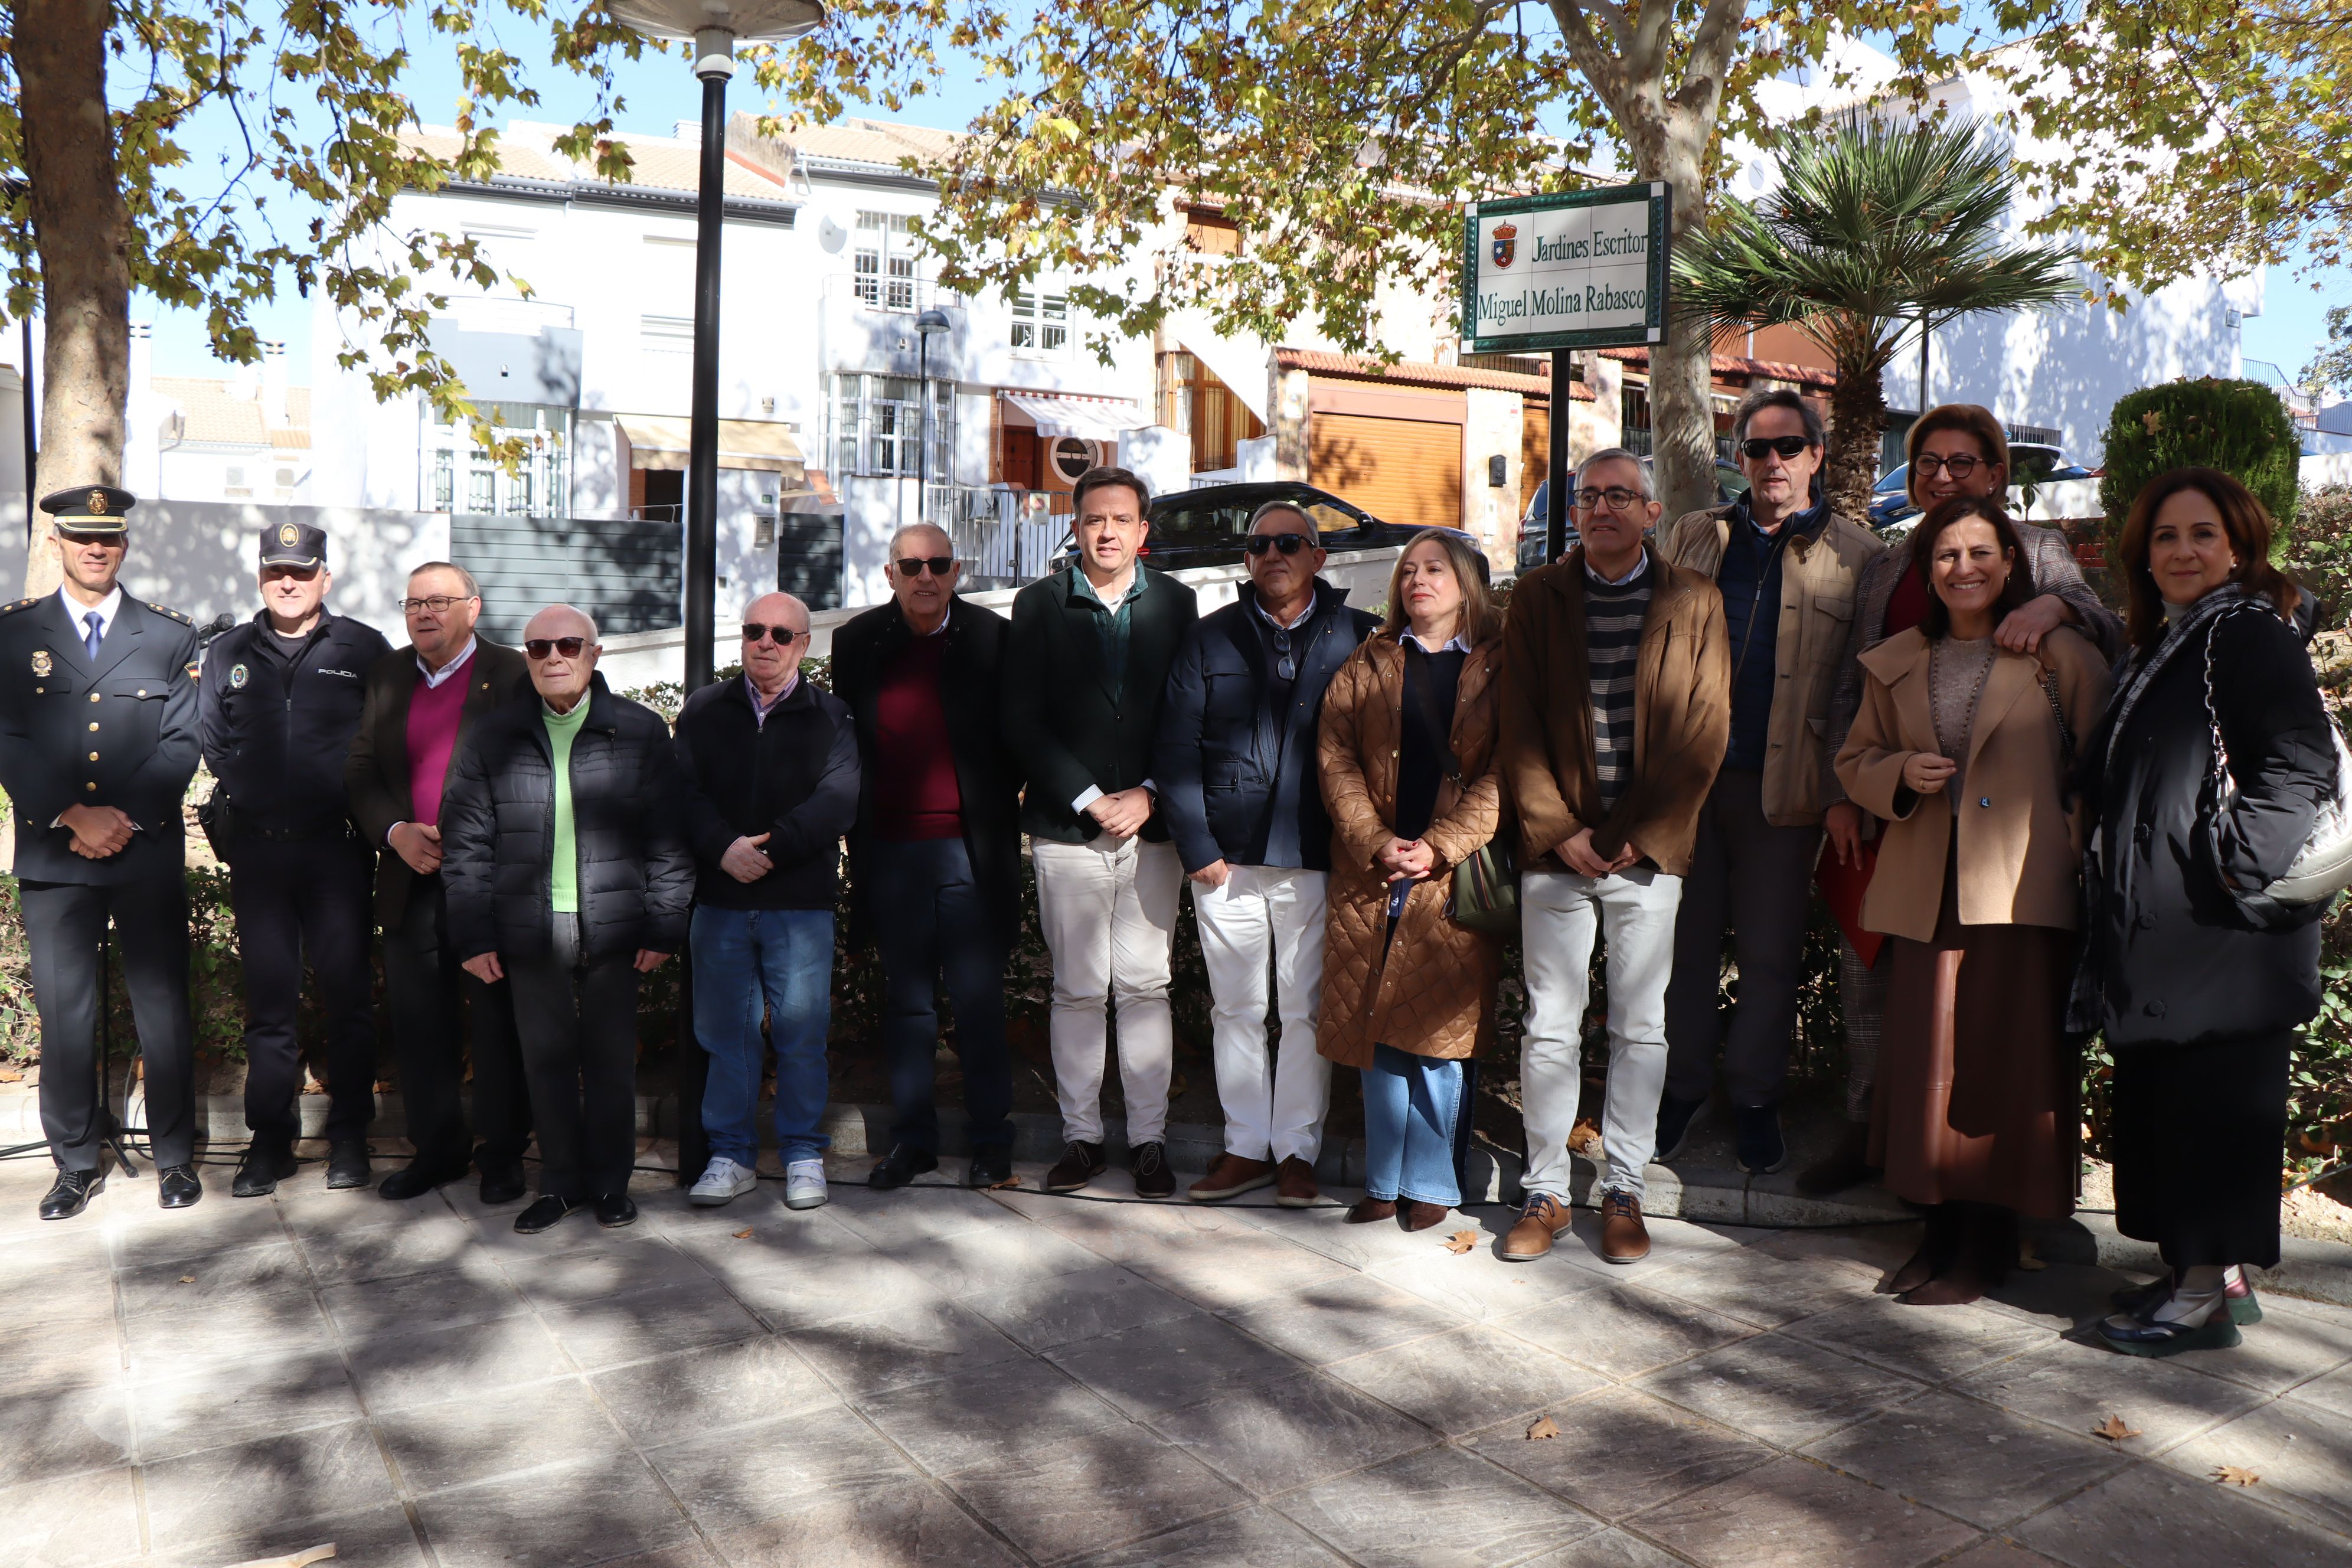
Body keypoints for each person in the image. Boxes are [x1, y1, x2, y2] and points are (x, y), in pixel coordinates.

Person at [1807, 403, 2125, 1197]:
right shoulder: (1889, 562)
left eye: (1960, 463)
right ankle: (1874, 1129)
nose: (1942, 478)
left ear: (1995, 475)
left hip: (2002, 836)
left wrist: (2056, 604)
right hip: (1897, 809)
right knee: (1875, 978)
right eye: (1927, 465)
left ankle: (1981, 1174)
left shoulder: (2037, 548)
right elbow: (1855, 680)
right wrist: (1842, 797)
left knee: (1975, 1005)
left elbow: (2101, 637)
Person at [1834, 496, 2108, 1304]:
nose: (1965, 569)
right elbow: (1856, 762)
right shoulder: (1893, 661)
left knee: (2006, 1066)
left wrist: (2075, 845)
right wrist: (1897, 778)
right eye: (1947, 555)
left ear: (2011, 562)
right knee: (1929, 1067)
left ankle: (1988, 1242)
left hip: (2023, 888)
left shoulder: (2060, 656)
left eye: (1981, 552)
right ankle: (1941, 1230)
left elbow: (2099, 766)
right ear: (1926, 570)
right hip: (1928, 888)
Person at [2085, 469, 2331, 1356]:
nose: (2183, 551)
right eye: (2165, 537)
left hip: (2223, 937)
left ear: (2239, 547)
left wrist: (2229, 871)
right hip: (2174, 930)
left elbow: (2299, 769)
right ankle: (2195, 1271)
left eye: (2202, 535)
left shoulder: (2247, 634)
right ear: (2143, 556)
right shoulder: (2169, 642)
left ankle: (2201, 1299)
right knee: (2175, 1114)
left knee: (2211, 1118)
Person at [1498, 450, 1730, 1264]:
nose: (1601, 508)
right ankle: (1547, 1191)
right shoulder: (1537, 598)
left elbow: (1705, 729)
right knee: (1550, 1029)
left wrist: (1645, 832)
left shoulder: (1694, 602)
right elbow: (1515, 723)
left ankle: (1624, 1185)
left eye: (1618, 496)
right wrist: (1556, 827)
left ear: (1652, 511)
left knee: (1641, 1027)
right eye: (1588, 495)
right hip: (1555, 852)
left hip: (1645, 853)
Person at [1658, 387, 1883, 1174]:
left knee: (1769, 956)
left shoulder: (1859, 555)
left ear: (1817, 456)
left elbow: (1866, 688)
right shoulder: (1695, 536)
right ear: (1739, 458)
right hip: (1690, 787)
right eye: (1757, 448)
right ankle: (1682, 1089)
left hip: (1785, 791)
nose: (1773, 462)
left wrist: (1844, 791)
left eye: (1789, 447)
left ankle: (1755, 1098)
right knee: (1683, 951)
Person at [439, 605, 692, 1234]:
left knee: (610, 1061)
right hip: (530, 926)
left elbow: (670, 836)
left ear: (595, 654)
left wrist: (665, 924)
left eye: (569, 645)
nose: (554, 656)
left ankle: (610, 1184)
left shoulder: (637, 732)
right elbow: (466, 844)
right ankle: (558, 1183)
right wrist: (472, 934)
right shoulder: (492, 737)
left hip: (616, 926)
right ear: (525, 658)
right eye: (539, 647)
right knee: (545, 1060)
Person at [1158, 501, 1376, 1206]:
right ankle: (1246, 1145)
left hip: (1319, 857)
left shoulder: (1362, 638)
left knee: (1308, 1009)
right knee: (1237, 1009)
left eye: (1291, 542)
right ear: (1246, 560)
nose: (1274, 554)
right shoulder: (1209, 639)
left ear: (1318, 557)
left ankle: (1297, 1154)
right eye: (1261, 545)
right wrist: (1197, 845)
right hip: (1228, 861)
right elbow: (1175, 749)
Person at [0, 486, 202, 1219]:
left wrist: (127, 819)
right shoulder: (13, 634)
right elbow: (7, 738)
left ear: (124, 546)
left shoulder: (167, 635)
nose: (96, 549)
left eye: (108, 539)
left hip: (142, 851)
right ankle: (74, 1162)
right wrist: (73, 814)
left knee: (163, 1008)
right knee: (66, 1010)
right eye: (82, 537)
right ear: (57, 543)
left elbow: (183, 739)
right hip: (55, 856)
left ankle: (176, 1158)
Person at [1003, 466, 1200, 1197]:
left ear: (1144, 532)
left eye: (1122, 519)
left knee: (1149, 984)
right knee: (1079, 989)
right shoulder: (1039, 605)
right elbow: (1021, 720)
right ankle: (1081, 1139)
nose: (1108, 531)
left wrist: (1149, 793)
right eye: (1094, 520)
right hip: (1067, 827)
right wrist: (1090, 796)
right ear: (1076, 527)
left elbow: (1191, 715)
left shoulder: (1178, 606)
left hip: (1153, 830)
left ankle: (1149, 1141)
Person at [1317, 530, 1505, 1231]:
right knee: (1376, 1028)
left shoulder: (1499, 667)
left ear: (1467, 583)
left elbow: (1507, 771)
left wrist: (1440, 845)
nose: (1418, 581)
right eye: (1410, 571)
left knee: (1439, 1032)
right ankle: (1382, 1180)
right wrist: (1373, 840)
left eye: (1436, 570)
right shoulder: (1368, 662)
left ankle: (1431, 1182)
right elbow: (1334, 758)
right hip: (1372, 873)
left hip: (1450, 872)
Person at [200, 522, 393, 1197]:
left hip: (337, 851)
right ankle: (271, 1139)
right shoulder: (229, 650)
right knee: (270, 1004)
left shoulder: (363, 648)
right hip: (259, 853)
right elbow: (215, 741)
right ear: (260, 576)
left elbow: (387, 739)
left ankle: (348, 1137)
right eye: (277, 570)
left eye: (303, 571)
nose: (289, 581)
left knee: (347, 999)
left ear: (325, 578)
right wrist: (254, 794)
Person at [832, 526, 1024, 1191]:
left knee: (978, 1002)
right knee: (907, 1005)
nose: (925, 576)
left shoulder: (994, 639)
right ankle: (912, 1142)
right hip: (890, 853)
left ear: (957, 571)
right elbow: (847, 741)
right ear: (890, 573)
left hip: (968, 853)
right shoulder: (858, 642)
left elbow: (1017, 740)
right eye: (911, 565)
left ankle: (992, 1142)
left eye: (937, 564)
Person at [347, 563, 534, 1203]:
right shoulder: (388, 674)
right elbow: (362, 769)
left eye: (439, 601)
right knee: (421, 1024)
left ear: (473, 608)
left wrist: (476, 837)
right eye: (413, 603)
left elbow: (538, 769)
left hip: (490, 881)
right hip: (410, 876)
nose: (424, 613)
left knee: (496, 1021)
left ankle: (502, 1151)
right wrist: (394, 830)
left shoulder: (514, 674)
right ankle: (437, 1149)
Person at [674, 592, 858, 1211]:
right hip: (721, 900)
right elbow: (682, 793)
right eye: (756, 630)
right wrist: (723, 848)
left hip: (798, 903)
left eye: (782, 634)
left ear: (804, 645)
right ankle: (730, 1155)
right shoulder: (704, 709)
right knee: (726, 1035)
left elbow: (837, 802)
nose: (767, 643)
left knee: (802, 1032)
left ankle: (804, 1153)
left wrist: (771, 849)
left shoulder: (832, 716)